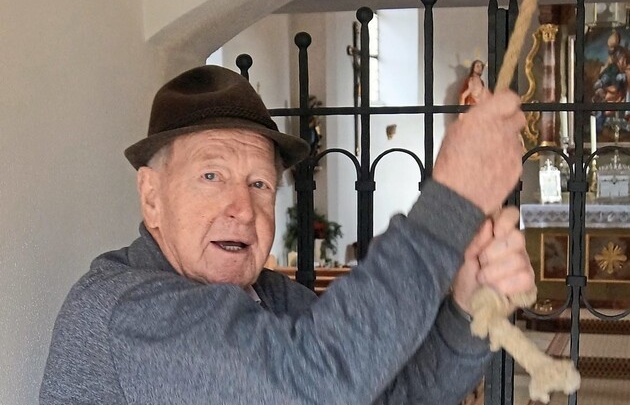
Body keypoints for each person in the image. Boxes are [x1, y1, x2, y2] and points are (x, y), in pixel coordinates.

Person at [40, 65, 533, 404]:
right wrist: (449, 205)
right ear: (152, 197)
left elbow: (391, 395)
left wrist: (466, 308)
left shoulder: (275, 300)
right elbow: (311, 388)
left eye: (259, 184)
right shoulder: (124, 310)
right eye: (211, 177)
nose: (242, 209)